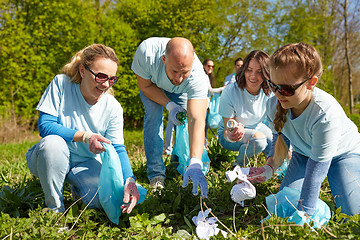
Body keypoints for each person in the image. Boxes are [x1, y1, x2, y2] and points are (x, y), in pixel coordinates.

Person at [248, 43, 360, 217]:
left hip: (343, 154)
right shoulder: (273, 105)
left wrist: (305, 215)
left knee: (352, 213)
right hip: (304, 155)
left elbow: (315, 175)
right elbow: (280, 140)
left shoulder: (324, 114)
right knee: (283, 203)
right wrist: (269, 168)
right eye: (273, 85)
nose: (278, 94)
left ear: (311, 83)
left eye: (286, 89)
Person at [26, 44, 140, 214]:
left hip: (84, 163)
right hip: (48, 156)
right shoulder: (61, 84)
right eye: (101, 77)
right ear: (82, 70)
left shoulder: (113, 107)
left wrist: (130, 180)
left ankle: (77, 188)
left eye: (112, 79)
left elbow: (118, 148)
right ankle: (55, 210)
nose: (106, 84)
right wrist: (86, 137)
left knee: (106, 201)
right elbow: (45, 125)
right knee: (53, 144)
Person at [131, 37, 209, 197]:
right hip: (152, 85)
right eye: (174, 71)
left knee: (185, 120)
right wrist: (170, 105)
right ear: (164, 59)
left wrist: (196, 161)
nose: (179, 78)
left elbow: (197, 119)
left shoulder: (197, 76)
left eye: (184, 72)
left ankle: (179, 163)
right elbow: (144, 86)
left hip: (181, 92)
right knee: (153, 117)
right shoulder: (147, 52)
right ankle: (156, 174)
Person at [218, 50, 273, 166]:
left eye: (259, 72)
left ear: (266, 73)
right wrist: (233, 130)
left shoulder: (269, 92)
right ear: (244, 70)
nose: (253, 76)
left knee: (280, 145)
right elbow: (228, 129)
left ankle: (272, 172)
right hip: (228, 136)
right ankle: (238, 167)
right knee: (259, 141)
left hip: (258, 128)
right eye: (249, 70)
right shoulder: (230, 91)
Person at [202, 59, 224, 143]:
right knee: (202, 126)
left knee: (205, 126)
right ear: (203, 66)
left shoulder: (206, 77)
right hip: (202, 105)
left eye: (212, 66)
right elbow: (210, 91)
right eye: (208, 66)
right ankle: (204, 144)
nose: (210, 68)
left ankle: (205, 143)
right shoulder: (203, 76)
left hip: (205, 105)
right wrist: (223, 88)